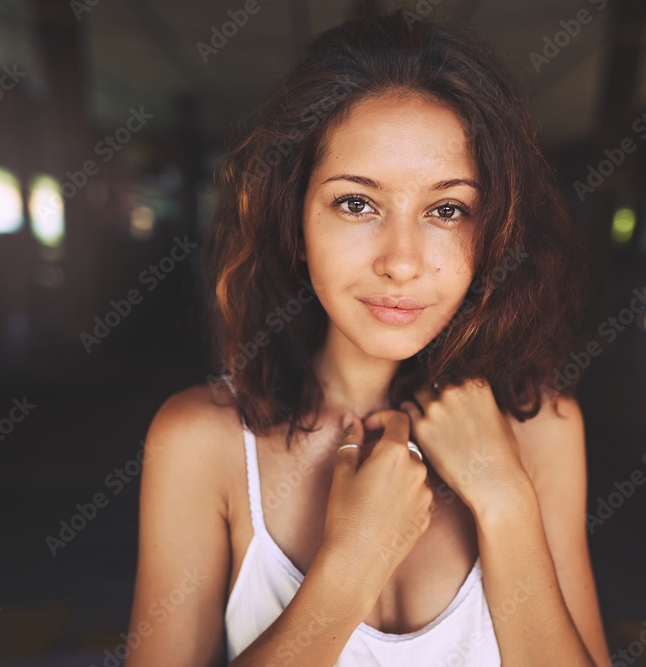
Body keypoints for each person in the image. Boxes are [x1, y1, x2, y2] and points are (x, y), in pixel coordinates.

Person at [126, 8, 610, 666]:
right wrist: (350, 564)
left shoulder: (541, 429)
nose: (402, 260)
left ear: (492, 231)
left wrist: (505, 502)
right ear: (296, 221)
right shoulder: (202, 443)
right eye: (357, 202)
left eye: (446, 210)